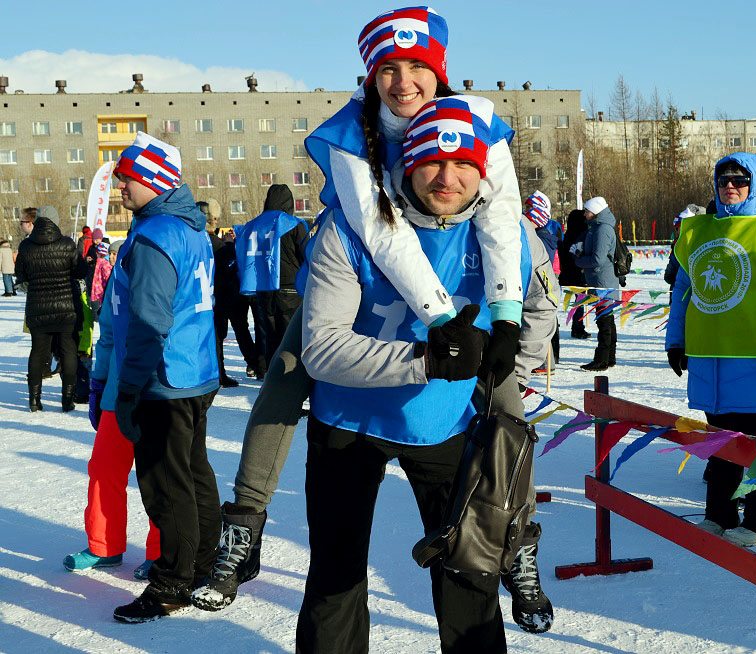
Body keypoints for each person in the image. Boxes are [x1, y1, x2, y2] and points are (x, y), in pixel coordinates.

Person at [191, 5, 534, 621]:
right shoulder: (352, 134)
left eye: (416, 67)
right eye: (388, 70)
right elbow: (382, 233)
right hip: (365, 256)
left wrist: (508, 314)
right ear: (370, 77)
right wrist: (437, 323)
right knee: (291, 369)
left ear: (441, 69)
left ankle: (518, 537)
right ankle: (245, 518)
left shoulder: (479, 121)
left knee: (505, 399)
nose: (403, 83)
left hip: (440, 280)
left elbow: (502, 220)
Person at [295, 95, 555, 653]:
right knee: (336, 579)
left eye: (465, 163)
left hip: (448, 425)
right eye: (432, 162)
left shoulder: (506, 234)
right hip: (349, 423)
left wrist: (512, 362)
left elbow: (539, 308)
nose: (448, 177)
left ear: (483, 170)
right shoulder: (348, 230)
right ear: (406, 163)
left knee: (469, 576)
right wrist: (424, 362)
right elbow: (322, 349)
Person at [666, 153, 756, 547]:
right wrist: (675, 342)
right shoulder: (698, 231)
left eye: (740, 180)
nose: (730, 186)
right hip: (710, 359)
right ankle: (720, 514)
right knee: (720, 440)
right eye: (724, 179)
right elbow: (682, 293)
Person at [109, 132, 221, 622]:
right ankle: (199, 563)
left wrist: (130, 387)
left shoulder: (155, 234)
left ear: (152, 180)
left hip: (165, 377)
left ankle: (172, 583)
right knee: (194, 472)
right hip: (196, 370)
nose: (120, 189)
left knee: (165, 483)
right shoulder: (191, 227)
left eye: (127, 179)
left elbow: (149, 320)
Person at [63, 277, 160, 577]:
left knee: (160, 475)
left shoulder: (168, 252)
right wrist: (99, 380)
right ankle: (104, 545)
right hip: (118, 391)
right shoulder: (122, 268)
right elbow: (108, 333)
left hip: (160, 388)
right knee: (104, 469)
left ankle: (163, 552)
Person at [14, 206, 87, 412]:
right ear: (55, 221)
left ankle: (34, 400)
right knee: (68, 351)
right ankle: (67, 399)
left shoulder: (26, 246)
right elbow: (81, 271)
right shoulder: (67, 244)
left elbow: (21, 276)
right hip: (66, 308)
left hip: (38, 308)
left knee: (37, 352)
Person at [236, 184, 307, 363]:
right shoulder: (292, 224)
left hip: (263, 288)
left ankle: (271, 379)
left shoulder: (253, 225)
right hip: (291, 289)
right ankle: (290, 381)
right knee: (292, 340)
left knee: (270, 339)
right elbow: (307, 255)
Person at [199, 201, 262, 387]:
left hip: (212, 296)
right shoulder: (219, 245)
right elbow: (230, 265)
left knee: (220, 336)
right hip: (229, 295)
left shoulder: (200, 241)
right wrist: (230, 246)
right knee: (240, 332)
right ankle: (256, 366)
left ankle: (221, 372)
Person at [574, 196, 619, 370]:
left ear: (595, 212)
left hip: (603, 281)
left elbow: (598, 259)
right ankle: (609, 357)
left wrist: (579, 261)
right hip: (600, 280)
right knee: (607, 319)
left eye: (587, 211)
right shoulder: (596, 228)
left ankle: (602, 360)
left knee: (604, 321)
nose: (584, 214)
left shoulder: (602, 230)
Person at [523, 192, 562, 370]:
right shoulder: (542, 232)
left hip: (542, 283)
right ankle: (548, 361)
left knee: (542, 322)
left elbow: (539, 261)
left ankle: (547, 363)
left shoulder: (542, 236)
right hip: (540, 281)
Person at [558, 208, 590, 339]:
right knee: (579, 302)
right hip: (577, 274)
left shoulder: (566, 237)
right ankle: (578, 327)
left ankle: (578, 326)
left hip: (566, 273)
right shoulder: (580, 237)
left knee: (578, 302)